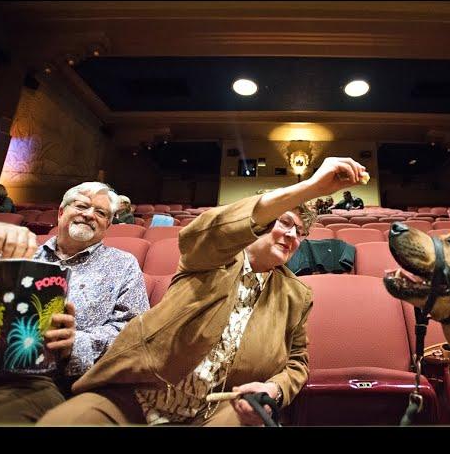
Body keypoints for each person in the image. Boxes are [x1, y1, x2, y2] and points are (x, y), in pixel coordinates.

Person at [38, 157, 368, 426]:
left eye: (299, 231)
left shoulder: (296, 295)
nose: (292, 235)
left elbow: (298, 363)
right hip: (135, 399)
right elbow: (204, 234)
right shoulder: (212, 259)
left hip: (218, 410)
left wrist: (274, 389)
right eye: (284, 222)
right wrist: (308, 188)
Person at [0, 182, 150, 423]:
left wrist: (76, 344)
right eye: (81, 206)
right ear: (61, 212)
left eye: (100, 212)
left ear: (108, 224)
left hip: (39, 381)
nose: (89, 214)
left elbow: (134, 332)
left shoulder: (123, 266)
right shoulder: (18, 247)